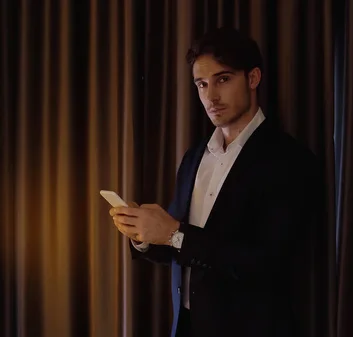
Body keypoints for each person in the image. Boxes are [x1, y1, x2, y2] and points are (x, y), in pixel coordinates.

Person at [109, 27, 324, 337]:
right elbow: (177, 243)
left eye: (223, 79)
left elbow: (268, 264)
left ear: (252, 79)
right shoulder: (195, 155)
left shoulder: (288, 159)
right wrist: (143, 233)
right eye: (201, 84)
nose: (210, 96)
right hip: (186, 326)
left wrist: (173, 233)